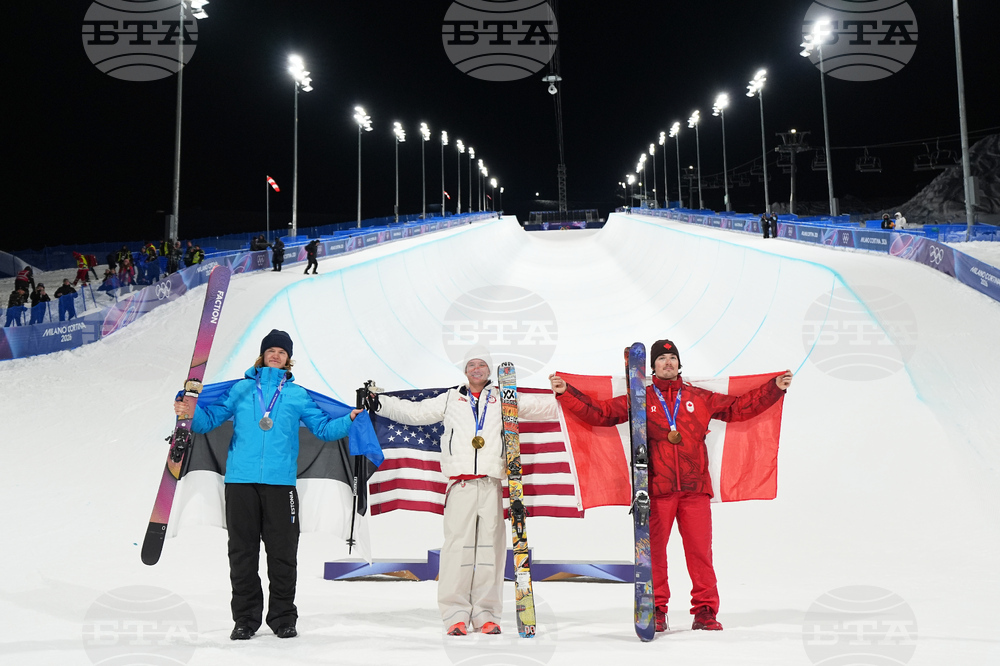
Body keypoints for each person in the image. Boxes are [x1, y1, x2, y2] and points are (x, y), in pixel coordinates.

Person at [549, 339, 792, 633]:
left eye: (672, 358)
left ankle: (705, 611)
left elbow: (739, 407)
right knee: (654, 555)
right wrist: (568, 393)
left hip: (695, 489)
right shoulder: (640, 398)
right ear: (652, 366)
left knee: (701, 555)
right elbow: (601, 413)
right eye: (662, 359)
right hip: (656, 490)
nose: (668, 362)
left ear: (679, 363)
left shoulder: (698, 397)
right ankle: (656, 609)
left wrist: (774, 388)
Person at [174, 330, 363, 641]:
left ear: (288, 360)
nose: (276, 355)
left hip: (281, 485)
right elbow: (208, 422)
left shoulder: (297, 395)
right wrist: (188, 411)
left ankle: (283, 618)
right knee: (242, 553)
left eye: (282, 352)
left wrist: (350, 419)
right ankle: (245, 620)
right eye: (271, 350)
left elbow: (324, 429)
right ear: (262, 355)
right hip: (240, 483)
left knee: (283, 554)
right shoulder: (241, 389)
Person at [372, 347, 559, 636]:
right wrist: (379, 403)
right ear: (465, 370)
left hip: (490, 483)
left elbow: (539, 407)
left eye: (482, 364)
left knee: (491, 551)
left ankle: (487, 615)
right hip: (459, 485)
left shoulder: (504, 397)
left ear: (489, 370)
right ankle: (455, 615)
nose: (476, 369)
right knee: (456, 551)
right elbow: (414, 412)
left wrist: (563, 395)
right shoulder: (451, 398)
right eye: (471, 364)